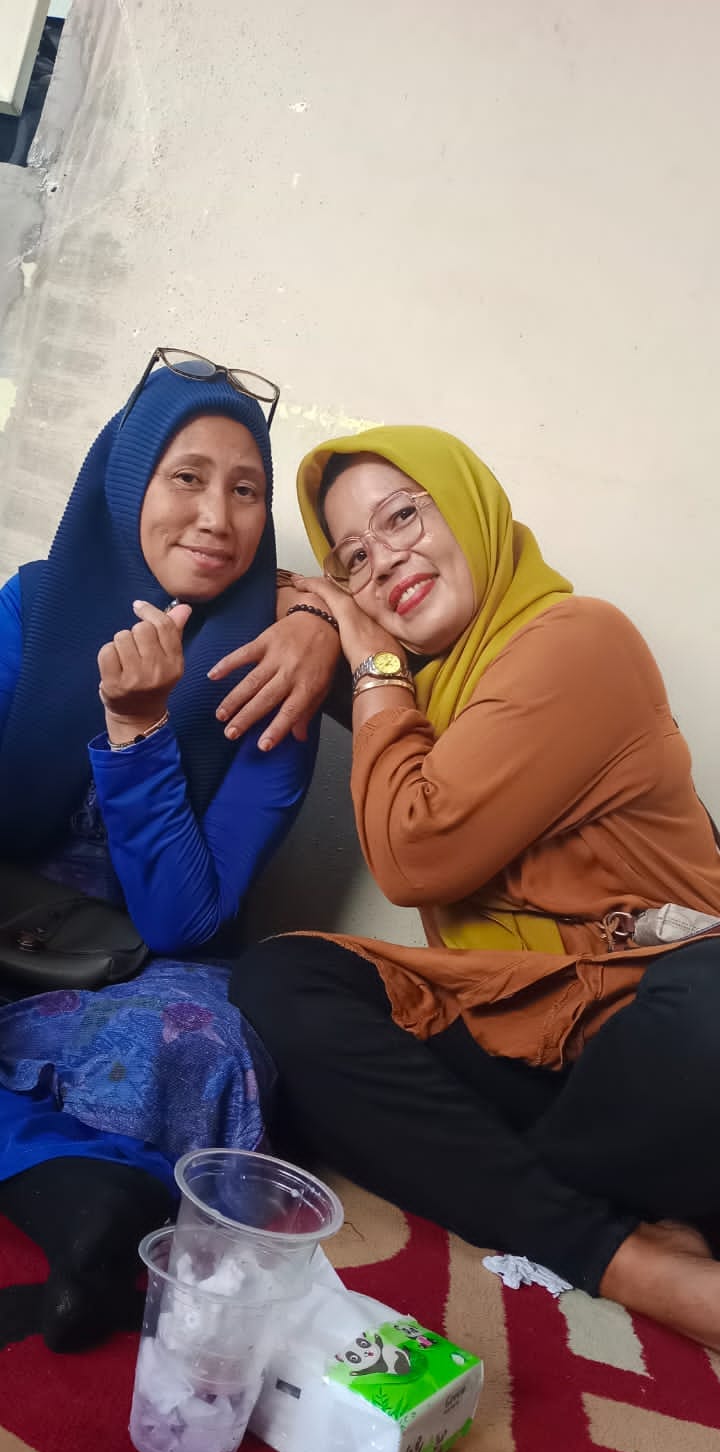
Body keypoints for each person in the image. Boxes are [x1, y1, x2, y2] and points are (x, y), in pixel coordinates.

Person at [231, 424, 720, 1353]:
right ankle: (630, 1250)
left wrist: (368, 654)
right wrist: (322, 619)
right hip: (529, 1041)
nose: (386, 561)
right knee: (279, 982)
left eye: (403, 516)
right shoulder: (424, 689)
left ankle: (534, 1201)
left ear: (470, 509)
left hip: (649, 1037)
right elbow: (280, 593)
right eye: (355, 557)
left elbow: (415, 852)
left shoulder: (578, 640)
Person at [0, 350, 324, 1351]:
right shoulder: (33, 607)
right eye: (187, 477)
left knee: (195, 1044)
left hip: (143, 967)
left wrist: (139, 730)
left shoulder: (274, 671)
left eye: (247, 490)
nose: (217, 518)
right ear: (128, 481)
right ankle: (81, 1192)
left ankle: (85, 1202)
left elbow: (186, 918)